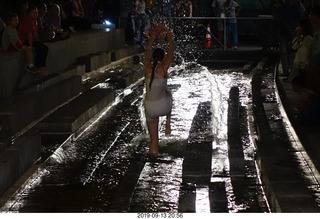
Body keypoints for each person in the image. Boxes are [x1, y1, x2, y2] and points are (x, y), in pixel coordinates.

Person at [143, 23, 175, 158]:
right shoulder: (163, 68)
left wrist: (153, 36)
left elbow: (148, 50)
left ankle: (153, 155)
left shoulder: (146, 68)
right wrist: (167, 32)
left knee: (153, 141)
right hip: (164, 107)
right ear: (162, 58)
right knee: (169, 93)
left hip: (150, 107)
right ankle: (168, 124)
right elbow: (172, 48)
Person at [273, 0, 304, 76]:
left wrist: (297, 29)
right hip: (283, 32)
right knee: (283, 51)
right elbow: (278, 19)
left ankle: (292, 69)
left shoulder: (297, 7)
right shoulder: (281, 8)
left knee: (292, 51)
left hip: (294, 31)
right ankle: (286, 70)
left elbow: (301, 19)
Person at [18, 5, 48, 76]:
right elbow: (29, 35)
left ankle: (42, 67)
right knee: (39, 48)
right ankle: (38, 67)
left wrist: (38, 41)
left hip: (31, 39)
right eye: (34, 13)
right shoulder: (27, 20)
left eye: (37, 13)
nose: (36, 14)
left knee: (45, 48)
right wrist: (31, 47)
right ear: (29, 14)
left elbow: (35, 33)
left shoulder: (34, 20)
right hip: (24, 40)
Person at [286, 17, 313, 82]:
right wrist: (297, 37)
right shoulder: (300, 38)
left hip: (301, 66)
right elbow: (293, 48)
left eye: (299, 26)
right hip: (297, 65)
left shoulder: (309, 39)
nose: (297, 28)